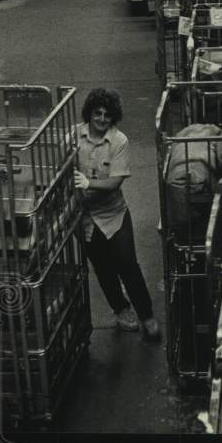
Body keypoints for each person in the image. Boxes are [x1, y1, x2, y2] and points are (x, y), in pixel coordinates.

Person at [73, 88, 160, 339]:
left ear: (113, 118)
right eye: (97, 113)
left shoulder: (119, 140)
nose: (101, 119)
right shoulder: (73, 136)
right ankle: (121, 309)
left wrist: (89, 185)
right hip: (86, 218)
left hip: (114, 215)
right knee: (103, 268)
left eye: (107, 115)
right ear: (89, 113)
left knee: (128, 265)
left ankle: (147, 315)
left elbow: (115, 181)